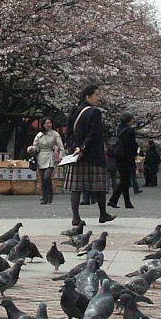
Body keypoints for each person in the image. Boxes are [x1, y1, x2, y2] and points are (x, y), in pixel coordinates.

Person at [61, 84, 115, 225]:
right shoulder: (94, 112)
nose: (98, 98)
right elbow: (94, 133)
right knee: (99, 186)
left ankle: (75, 217)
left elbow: (68, 133)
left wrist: (75, 147)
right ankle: (103, 214)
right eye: (96, 95)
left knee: (76, 187)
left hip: (77, 155)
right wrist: (84, 148)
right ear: (88, 96)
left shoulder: (74, 111)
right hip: (93, 155)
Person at [28, 118, 64, 205]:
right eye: (47, 123)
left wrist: (61, 157)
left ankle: (50, 195)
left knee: (47, 177)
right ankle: (44, 197)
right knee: (43, 179)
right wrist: (31, 149)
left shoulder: (55, 134)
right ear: (43, 124)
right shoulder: (39, 135)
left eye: (50, 123)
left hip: (50, 156)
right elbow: (36, 146)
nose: (49, 125)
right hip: (41, 156)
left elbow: (61, 146)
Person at [108, 113, 139, 210]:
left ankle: (127, 202)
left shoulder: (116, 130)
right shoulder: (129, 131)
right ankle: (113, 199)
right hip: (127, 157)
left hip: (118, 156)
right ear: (129, 120)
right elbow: (133, 145)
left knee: (124, 179)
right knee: (124, 180)